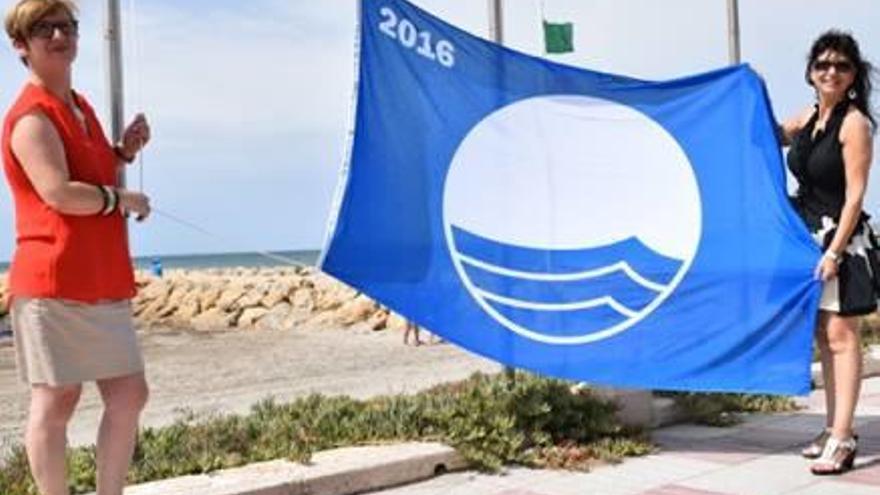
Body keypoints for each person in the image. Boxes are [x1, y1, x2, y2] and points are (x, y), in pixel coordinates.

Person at [2, 1, 151, 494]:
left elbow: (88, 170)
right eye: (45, 29)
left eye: (67, 26)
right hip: (54, 283)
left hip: (102, 278)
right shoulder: (30, 118)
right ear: (21, 46)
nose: (60, 36)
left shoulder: (80, 107)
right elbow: (59, 192)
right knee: (56, 401)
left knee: (129, 394)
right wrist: (121, 198)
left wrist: (123, 153)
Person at [779, 30, 876, 475]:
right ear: (810, 72)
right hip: (807, 238)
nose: (830, 72)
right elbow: (772, 133)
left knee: (841, 336)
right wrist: (746, 90)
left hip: (840, 239)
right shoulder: (811, 115)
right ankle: (835, 428)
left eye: (841, 65)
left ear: (853, 74)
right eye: (822, 65)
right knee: (823, 335)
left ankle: (842, 437)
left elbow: (855, 196)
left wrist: (835, 252)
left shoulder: (854, 123)